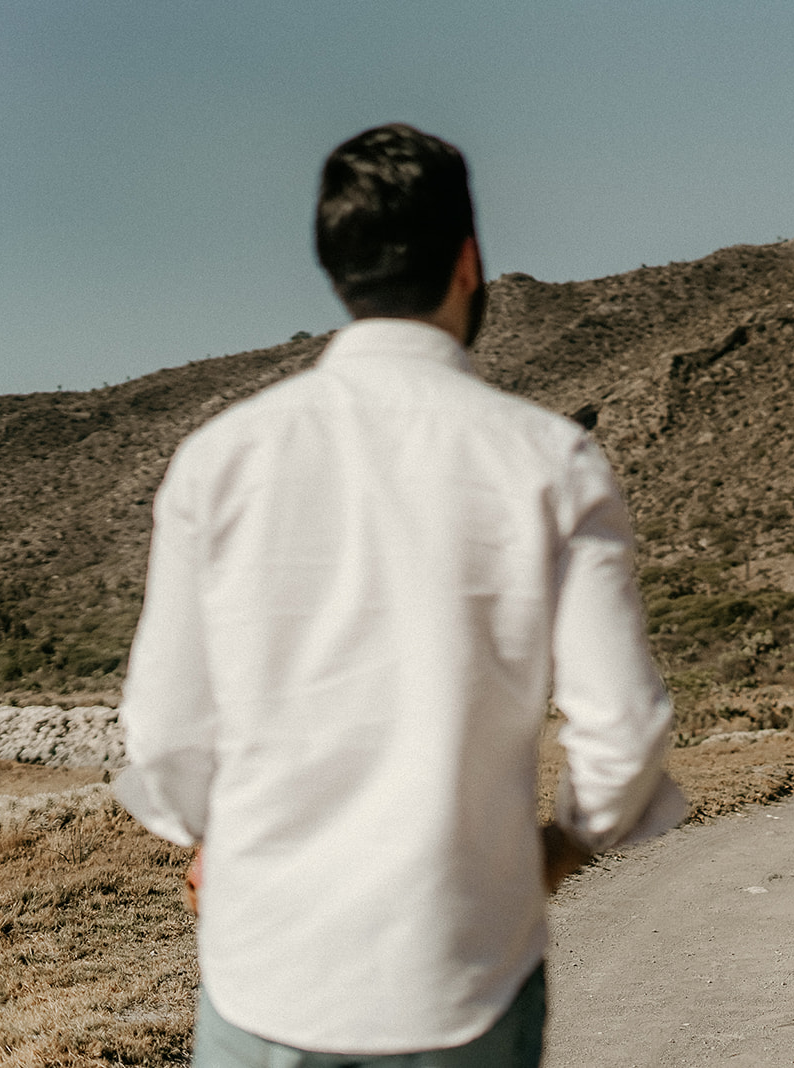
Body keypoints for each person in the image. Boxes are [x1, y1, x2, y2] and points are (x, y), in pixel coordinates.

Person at [115, 123, 680, 1066]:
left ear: (335, 268)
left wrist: (214, 841)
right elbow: (622, 729)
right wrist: (559, 850)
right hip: (460, 975)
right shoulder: (551, 462)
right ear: (468, 262)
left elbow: (167, 733)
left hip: (266, 975)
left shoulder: (219, 461)